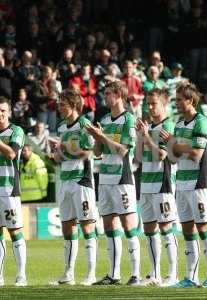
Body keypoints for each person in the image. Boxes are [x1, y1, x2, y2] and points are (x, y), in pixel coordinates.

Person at [159, 82, 207, 288]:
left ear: (190, 100)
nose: (176, 103)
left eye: (179, 99)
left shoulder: (201, 122)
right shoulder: (179, 124)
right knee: (187, 231)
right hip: (182, 182)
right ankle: (190, 277)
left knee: (203, 229)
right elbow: (174, 159)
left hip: (198, 183)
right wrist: (172, 146)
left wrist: (174, 144)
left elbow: (196, 155)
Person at [86, 81, 141, 286]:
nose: (105, 97)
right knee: (109, 225)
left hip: (122, 178)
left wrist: (102, 136)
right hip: (105, 178)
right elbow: (98, 153)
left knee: (128, 225)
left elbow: (124, 150)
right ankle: (113, 274)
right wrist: (97, 138)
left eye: (108, 93)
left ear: (119, 95)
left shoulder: (129, 119)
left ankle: (135, 274)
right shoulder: (105, 119)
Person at [49, 89, 97, 286]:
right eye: (59, 104)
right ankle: (68, 273)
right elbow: (61, 158)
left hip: (81, 181)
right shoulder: (61, 128)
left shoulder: (84, 124)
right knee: (67, 227)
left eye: (63, 104)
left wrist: (65, 147)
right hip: (65, 180)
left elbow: (87, 153)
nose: (60, 107)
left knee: (87, 226)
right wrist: (56, 154)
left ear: (74, 105)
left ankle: (91, 273)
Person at [135, 88, 178, 287]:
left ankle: (172, 274)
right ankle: (154, 274)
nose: (150, 107)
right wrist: (139, 136)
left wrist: (146, 136)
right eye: (148, 104)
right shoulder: (149, 127)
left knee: (166, 228)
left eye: (154, 104)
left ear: (164, 104)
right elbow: (137, 157)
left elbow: (161, 155)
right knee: (149, 229)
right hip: (146, 183)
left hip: (162, 183)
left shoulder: (167, 125)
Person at [0, 96, 27, 286]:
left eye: (3, 111)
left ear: (9, 112)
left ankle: (21, 275)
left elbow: (11, 153)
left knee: (15, 231)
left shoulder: (16, 131)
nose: (0, 114)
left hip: (9, 190)